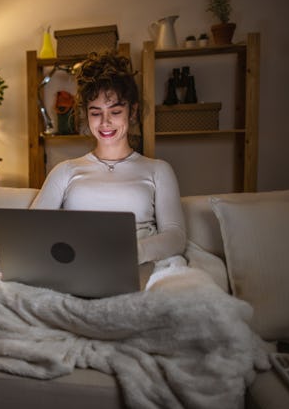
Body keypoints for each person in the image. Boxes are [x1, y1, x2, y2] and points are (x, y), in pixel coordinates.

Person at [31, 52, 186, 266]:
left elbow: (175, 237)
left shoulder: (158, 170)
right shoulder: (65, 170)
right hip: (78, 266)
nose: (105, 122)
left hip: (139, 266)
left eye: (115, 111)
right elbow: (31, 230)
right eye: (96, 113)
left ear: (132, 112)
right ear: (86, 114)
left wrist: (130, 254)